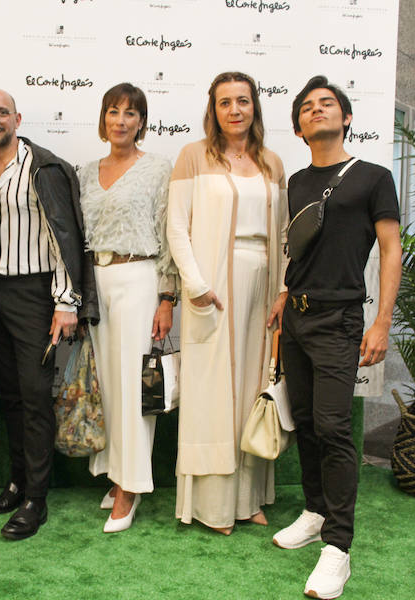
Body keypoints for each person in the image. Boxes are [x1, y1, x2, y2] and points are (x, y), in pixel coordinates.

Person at [270, 75, 401, 599]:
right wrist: (283, 293)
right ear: (299, 128)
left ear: (346, 118)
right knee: (304, 421)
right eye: (306, 107)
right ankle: (315, 511)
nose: (316, 110)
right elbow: (300, 248)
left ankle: (338, 547)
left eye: (327, 104)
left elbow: (390, 249)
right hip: (296, 317)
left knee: (332, 426)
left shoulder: (373, 177)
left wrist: (383, 321)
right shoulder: (297, 182)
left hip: (340, 319)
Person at [0, 89, 98, 540]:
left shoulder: (44, 167)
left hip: (36, 295)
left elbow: (65, 235)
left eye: (2, 112)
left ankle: (36, 500)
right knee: (8, 395)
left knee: (34, 395)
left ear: (17, 118)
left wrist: (67, 302)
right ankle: (16, 483)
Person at [166, 71, 288, 535]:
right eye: (224, 102)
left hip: (262, 285)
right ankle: (214, 506)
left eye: (242, 100)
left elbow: (281, 235)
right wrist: (194, 284)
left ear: (255, 105)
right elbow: (177, 226)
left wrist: (281, 289)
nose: (234, 110)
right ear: (212, 109)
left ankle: (248, 499)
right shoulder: (193, 156)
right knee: (213, 395)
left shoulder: (272, 162)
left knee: (253, 388)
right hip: (212, 287)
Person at [77, 83, 178, 533]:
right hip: (96, 282)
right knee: (109, 386)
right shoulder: (84, 172)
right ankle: (117, 473)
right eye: (113, 112)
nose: (121, 120)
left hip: (139, 278)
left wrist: (167, 296)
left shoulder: (158, 168)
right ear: (103, 119)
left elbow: (168, 230)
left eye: (130, 113)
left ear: (142, 121)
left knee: (134, 388)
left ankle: (131, 487)